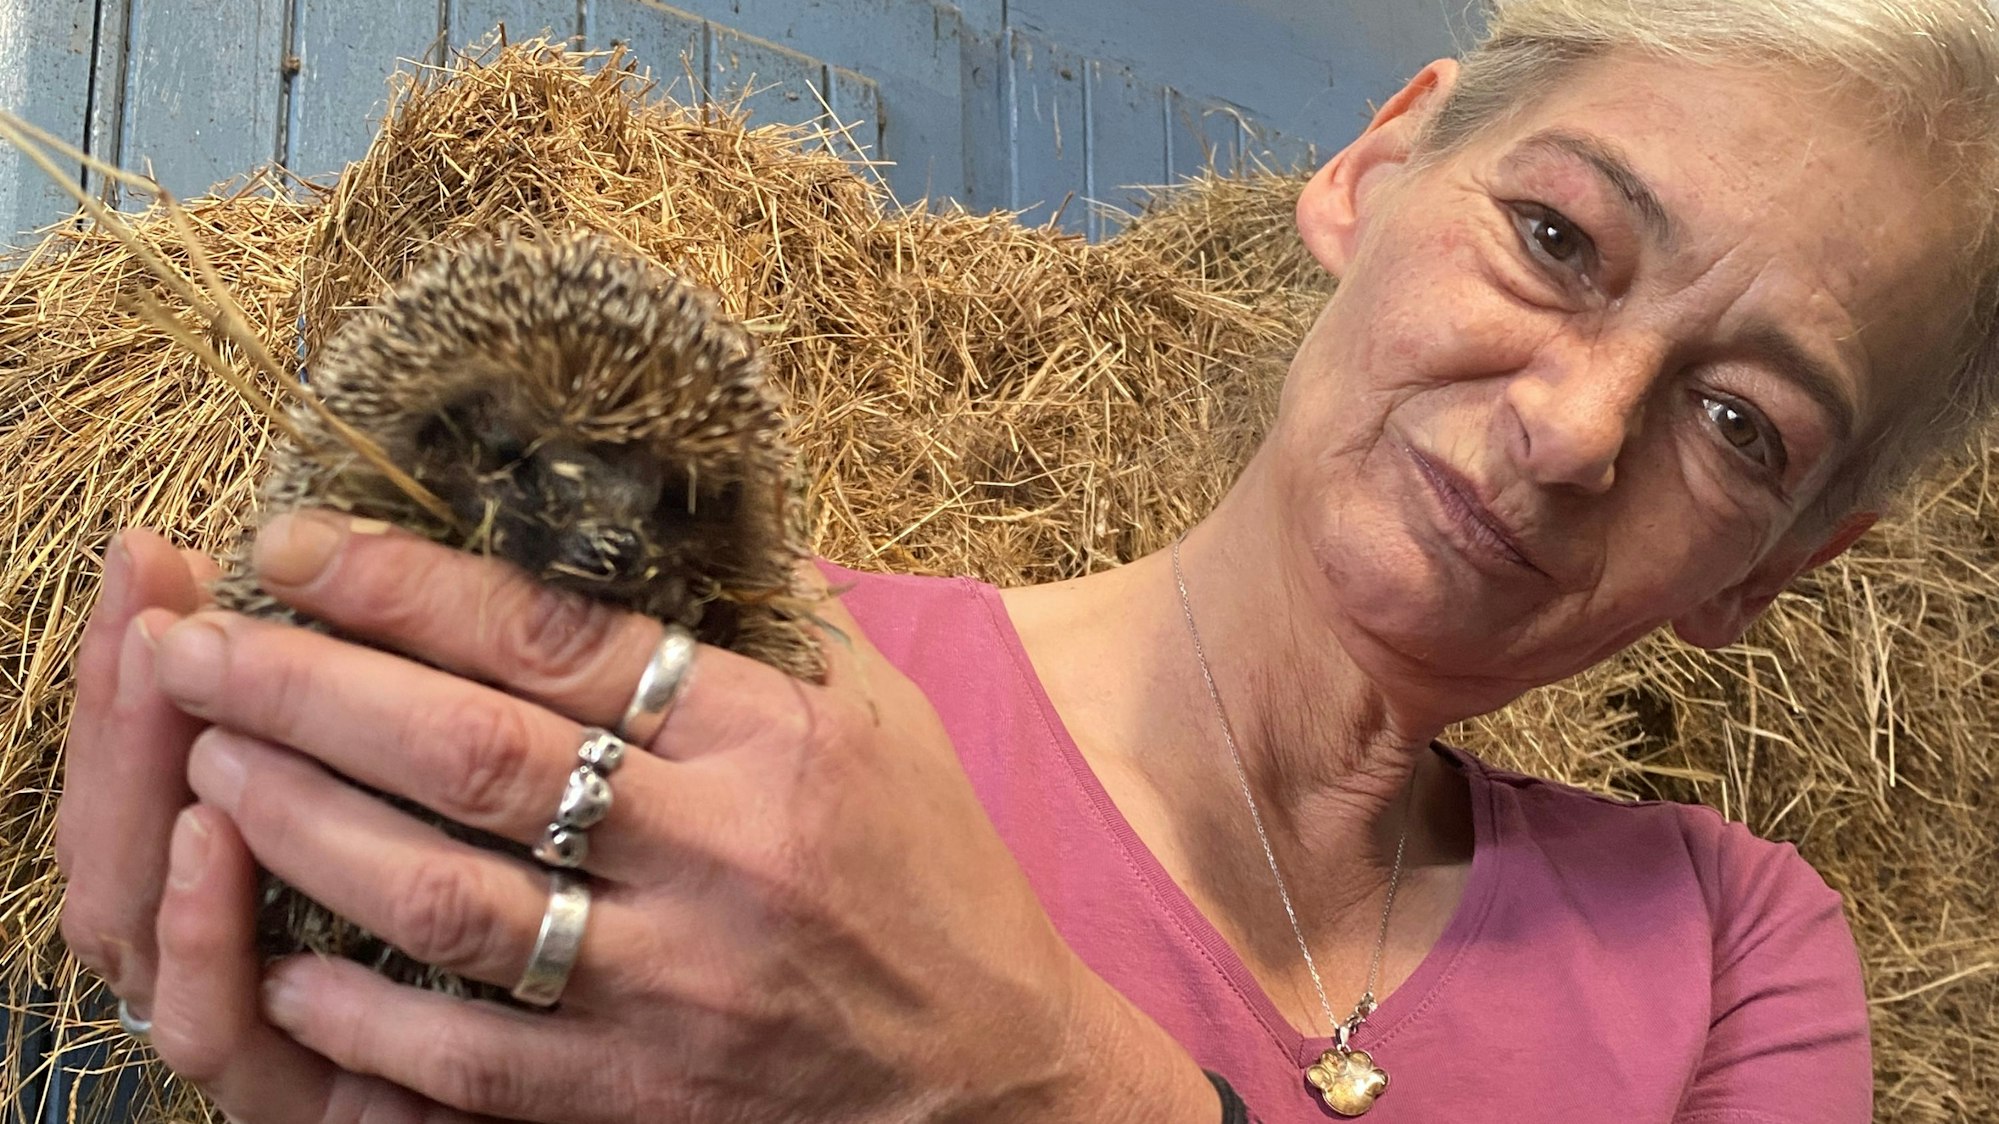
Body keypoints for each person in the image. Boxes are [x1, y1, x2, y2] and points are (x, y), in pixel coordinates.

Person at [54, 0, 1999, 1119]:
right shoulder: (747, 712)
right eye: (1558, 239)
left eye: (1742, 424)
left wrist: (1042, 1078)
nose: (1575, 428)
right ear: (1374, 170)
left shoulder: (1735, 953)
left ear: (1776, 567)